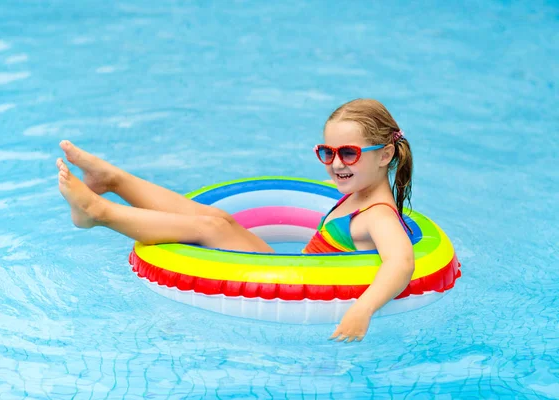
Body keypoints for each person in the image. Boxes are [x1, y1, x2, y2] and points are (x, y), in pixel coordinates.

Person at [57, 98, 415, 343]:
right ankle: (113, 180)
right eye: (327, 152)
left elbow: (401, 263)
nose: (336, 164)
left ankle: (99, 213)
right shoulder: (357, 195)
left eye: (349, 153)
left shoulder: (378, 215)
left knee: (212, 228)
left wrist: (362, 309)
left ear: (384, 155)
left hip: (288, 285)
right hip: (291, 267)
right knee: (219, 218)